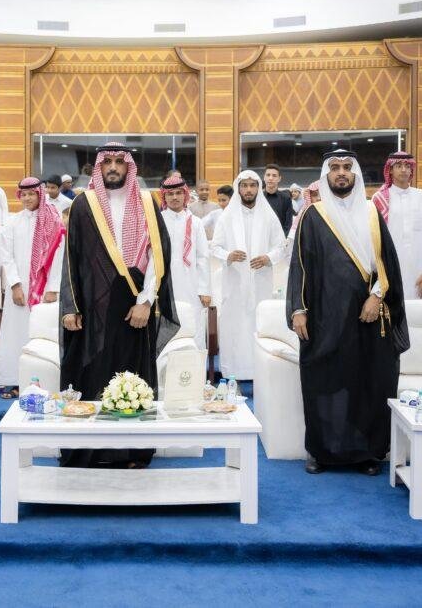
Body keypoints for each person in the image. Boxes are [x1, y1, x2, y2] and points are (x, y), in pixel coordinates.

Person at [287, 150, 409, 476]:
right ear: (326, 175)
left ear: (355, 174)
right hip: (323, 316)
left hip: (367, 316)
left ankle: (367, 452)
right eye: (335, 168)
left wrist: (376, 296)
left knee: (368, 382)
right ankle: (321, 451)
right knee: (322, 381)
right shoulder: (314, 215)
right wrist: (298, 309)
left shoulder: (371, 213)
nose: (341, 173)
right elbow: (299, 266)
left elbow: (388, 264)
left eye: (347, 168)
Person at [60, 143, 178, 468]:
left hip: (133, 305)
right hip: (93, 307)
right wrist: (70, 306)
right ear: (99, 166)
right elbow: (71, 258)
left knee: (132, 373)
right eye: (107, 161)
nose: (113, 167)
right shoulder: (84, 203)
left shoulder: (146, 201)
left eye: (119, 161)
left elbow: (158, 255)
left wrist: (146, 302)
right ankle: (89, 452)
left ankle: (131, 452)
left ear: (129, 166)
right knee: (92, 372)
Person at [211, 170, 287, 380]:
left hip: (261, 282)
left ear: (258, 188)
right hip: (234, 283)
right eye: (244, 186)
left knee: (257, 323)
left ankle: (258, 372)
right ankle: (232, 372)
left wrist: (268, 258)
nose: (248, 190)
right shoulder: (227, 216)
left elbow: (281, 247)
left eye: (253, 185)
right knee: (234, 325)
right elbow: (215, 247)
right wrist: (228, 255)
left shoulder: (268, 215)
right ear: (238, 188)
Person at [0, 177, 66, 395]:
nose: (26, 198)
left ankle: (42, 382)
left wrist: (53, 288)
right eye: (23, 194)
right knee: (15, 334)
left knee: (40, 334)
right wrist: (15, 285)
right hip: (20, 290)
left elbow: (59, 257)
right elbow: (6, 256)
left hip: (46, 290)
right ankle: (16, 381)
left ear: (40, 194)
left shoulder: (54, 221)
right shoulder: (13, 222)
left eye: (31, 194)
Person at [371, 152, 422, 299]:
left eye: (407, 166)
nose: (404, 169)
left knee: (418, 309)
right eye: (398, 166)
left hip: (418, 269)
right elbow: (374, 239)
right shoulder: (379, 198)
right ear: (390, 170)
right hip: (390, 269)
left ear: (412, 170)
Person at [159, 175, 211, 350]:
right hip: (164, 285)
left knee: (193, 325)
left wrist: (204, 290)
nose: (174, 197)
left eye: (178, 193)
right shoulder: (158, 221)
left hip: (191, 285)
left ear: (185, 195)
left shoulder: (195, 223)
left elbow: (203, 257)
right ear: (164, 197)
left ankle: (195, 365)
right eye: (170, 194)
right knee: (166, 327)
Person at [261, 163, 295, 235]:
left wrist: (282, 239)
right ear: (264, 177)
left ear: (279, 178)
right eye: (268, 175)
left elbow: (288, 224)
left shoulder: (286, 199)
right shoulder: (258, 198)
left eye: (274, 175)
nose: (270, 178)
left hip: (280, 239)